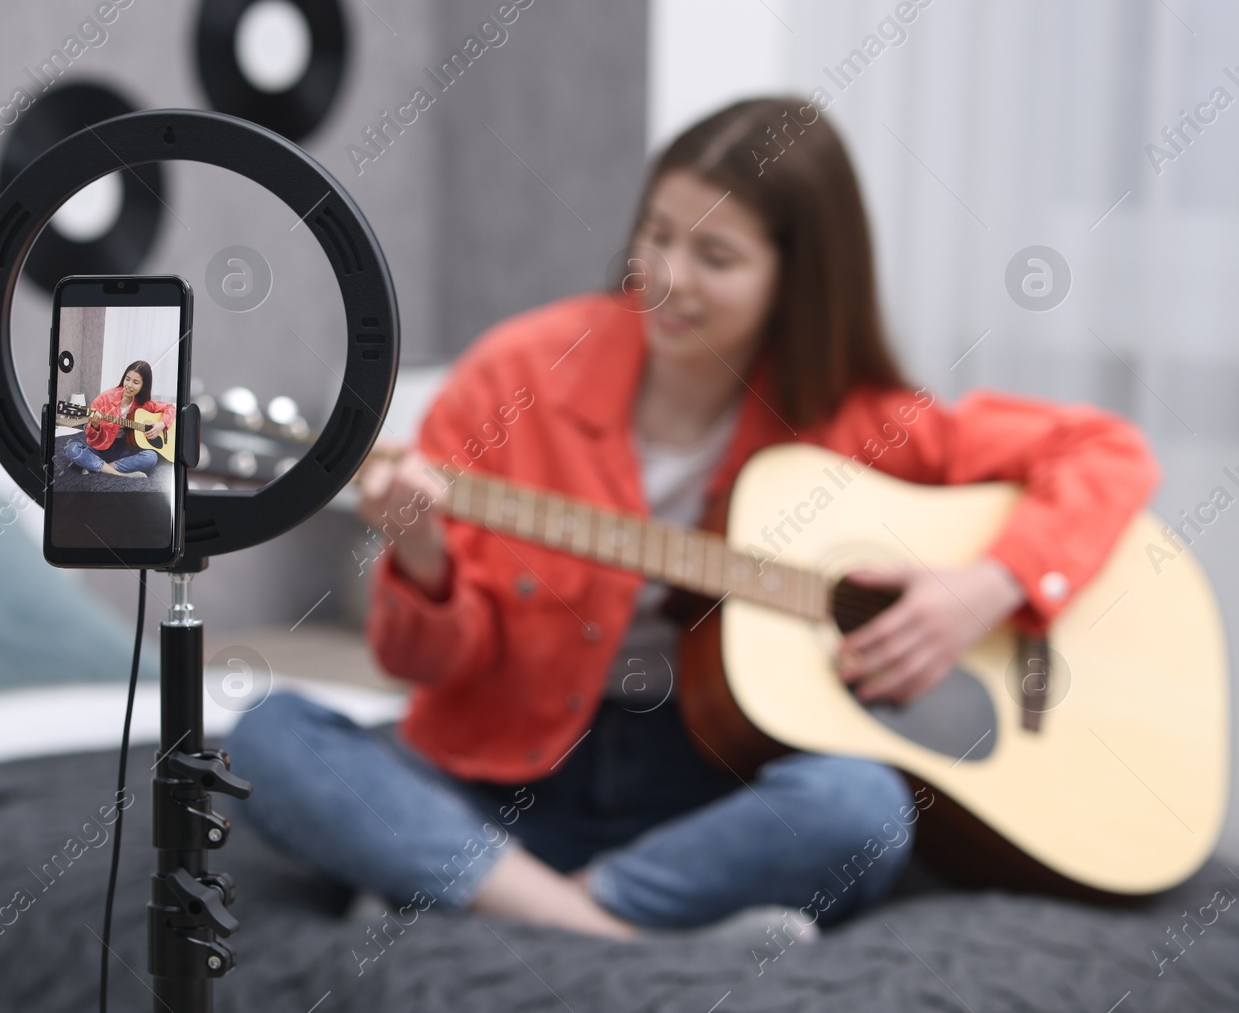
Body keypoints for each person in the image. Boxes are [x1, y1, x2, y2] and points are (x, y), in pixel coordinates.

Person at [223, 97, 1159, 939]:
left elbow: (1107, 453)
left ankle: (484, 895)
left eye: (716, 256)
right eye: (656, 235)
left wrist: (985, 587)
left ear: (800, 278)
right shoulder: (517, 373)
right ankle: (602, 924)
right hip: (503, 773)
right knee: (265, 735)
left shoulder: (859, 420)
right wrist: (420, 557)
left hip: (713, 794)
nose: (666, 278)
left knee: (863, 811)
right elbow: (414, 664)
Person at [62, 360, 172, 478]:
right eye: (127, 379)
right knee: (72, 449)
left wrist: (161, 424)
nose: (129, 385)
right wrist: (95, 425)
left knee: (151, 457)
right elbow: (90, 437)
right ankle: (118, 473)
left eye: (135, 382)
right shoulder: (104, 398)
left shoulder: (144, 403)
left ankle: (100, 467)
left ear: (143, 386)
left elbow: (170, 408)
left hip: (126, 450)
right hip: (101, 449)